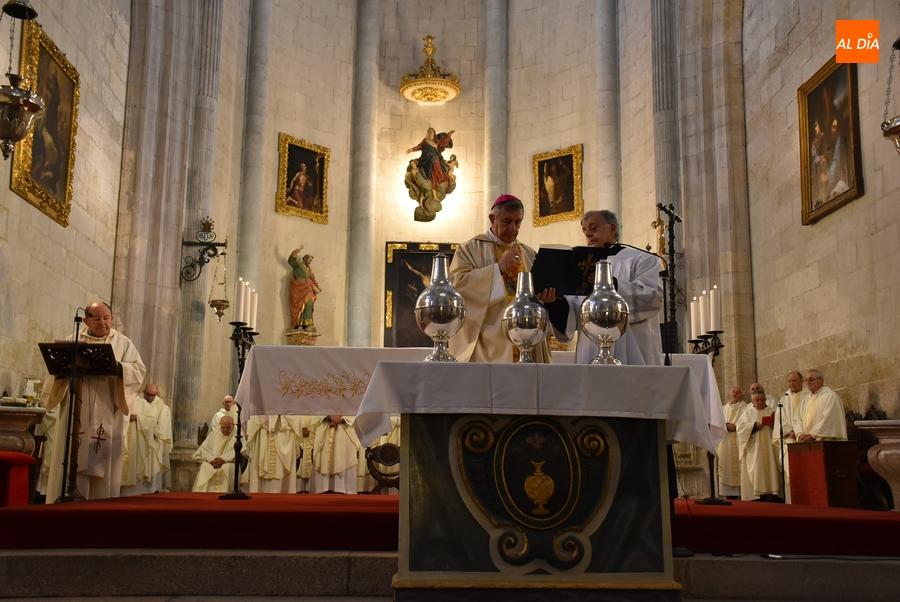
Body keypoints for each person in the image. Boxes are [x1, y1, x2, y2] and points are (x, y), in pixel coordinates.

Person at [42, 301, 147, 502]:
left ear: (112, 319)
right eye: (97, 318)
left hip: (107, 407)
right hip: (76, 407)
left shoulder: (122, 342)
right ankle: (65, 502)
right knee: (73, 451)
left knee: (102, 457)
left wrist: (118, 367)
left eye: (106, 318)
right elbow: (54, 372)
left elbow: (138, 370)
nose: (103, 323)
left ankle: (101, 505)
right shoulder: (72, 341)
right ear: (85, 320)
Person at [544, 210, 664, 365]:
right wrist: (554, 303)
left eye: (593, 228)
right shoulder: (582, 266)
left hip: (633, 350)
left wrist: (611, 285)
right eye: (585, 230)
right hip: (590, 351)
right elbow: (573, 314)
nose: (588, 234)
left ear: (612, 229)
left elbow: (652, 297)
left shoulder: (641, 259)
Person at [448, 194, 552, 363]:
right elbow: (457, 286)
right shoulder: (469, 249)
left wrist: (539, 295)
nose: (513, 228)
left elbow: (538, 295)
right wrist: (497, 270)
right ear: (492, 219)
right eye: (506, 221)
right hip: (489, 341)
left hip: (527, 337)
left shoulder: (528, 253)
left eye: (518, 222)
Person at [737, 386, 781, 501]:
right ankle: (757, 497)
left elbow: (781, 427)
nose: (760, 402)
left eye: (762, 400)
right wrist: (754, 426)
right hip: (755, 449)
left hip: (770, 449)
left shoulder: (772, 411)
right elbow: (740, 428)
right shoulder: (747, 413)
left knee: (771, 471)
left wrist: (773, 426)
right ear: (752, 401)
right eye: (757, 400)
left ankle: (772, 495)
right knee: (757, 473)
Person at [244, 414, 303, 494]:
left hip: (283, 431)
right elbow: (255, 412)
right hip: (264, 431)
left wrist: (278, 413)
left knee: (282, 466)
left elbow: (294, 412)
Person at [772, 371, 807, 503]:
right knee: (790, 473)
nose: (791, 384)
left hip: (805, 440)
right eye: (789, 381)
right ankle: (792, 503)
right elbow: (779, 422)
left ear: (801, 381)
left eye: (794, 381)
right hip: (790, 441)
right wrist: (789, 432)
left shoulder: (809, 396)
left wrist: (801, 432)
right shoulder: (783, 399)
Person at [308, 415, 361, 494]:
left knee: (344, 455)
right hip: (325, 425)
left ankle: (343, 489)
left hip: (345, 428)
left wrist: (343, 419)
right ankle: (323, 488)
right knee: (323, 456)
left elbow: (356, 409)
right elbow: (316, 407)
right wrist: (329, 417)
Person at [796, 370, 848, 442]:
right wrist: (800, 433)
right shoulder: (806, 400)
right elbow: (797, 419)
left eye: (811, 379)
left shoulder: (830, 396)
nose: (808, 382)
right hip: (806, 443)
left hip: (825, 443)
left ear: (820, 380)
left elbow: (829, 420)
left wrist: (813, 435)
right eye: (806, 380)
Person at [716, 386, 747, 498]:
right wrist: (726, 426)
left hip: (741, 443)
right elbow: (717, 424)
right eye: (733, 392)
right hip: (726, 443)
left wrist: (737, 427)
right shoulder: (722, 409)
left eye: (737, 393)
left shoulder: (747, 408)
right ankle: (729, 496)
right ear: (730, 394)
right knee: (726, 466)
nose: (735, 394)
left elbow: (748, 424)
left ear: (742, 395)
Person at [192, 415, 237, 493]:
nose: (225, 430)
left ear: (233, 425)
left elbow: (239, 451)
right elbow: (204, 449)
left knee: (228, 467)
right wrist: (212, 460)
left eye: (228, 427)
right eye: (223, 427)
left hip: (228, 462)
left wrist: (223, 459)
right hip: (213, 462)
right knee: (205, 467)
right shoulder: (213, 434)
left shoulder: (238, 436)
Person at [142, 384, 173, 492]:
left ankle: (153, 489)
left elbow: (162, 426)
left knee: (154, 466)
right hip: (141, 440)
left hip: (155, 441)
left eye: (153, 395)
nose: (150, 398)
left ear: (157, 394)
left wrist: (152, 430)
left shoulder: (162, 407)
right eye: (148, 395)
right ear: (143, 392)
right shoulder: (139, 403)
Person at [288, 248, 321, 331]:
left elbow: (313, 280)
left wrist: (317, 286)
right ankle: (298, 324)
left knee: (309, 305)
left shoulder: (309, 270)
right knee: (299, 305)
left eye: (311, 261)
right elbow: (291, 262)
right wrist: (294, 253)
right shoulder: (298, 266)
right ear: (305, 259)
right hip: (299, 289)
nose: (310, 262)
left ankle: (307, 324)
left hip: (308, 290)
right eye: (309, 260)